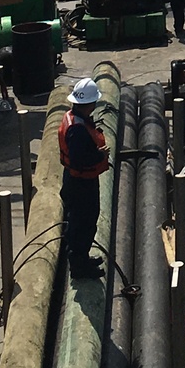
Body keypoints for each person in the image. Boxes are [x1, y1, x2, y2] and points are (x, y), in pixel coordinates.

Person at [59, 77, 110, 279]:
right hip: (81, 184)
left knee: (82, 223)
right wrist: (100, 155)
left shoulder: (74, 119)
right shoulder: (78, 130)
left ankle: (81, 257)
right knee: (83, 223)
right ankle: (79, 267)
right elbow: (80, 160)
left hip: (77, 180)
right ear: (88, 104)